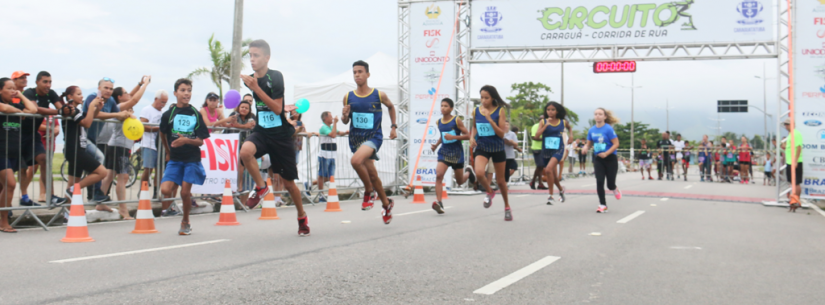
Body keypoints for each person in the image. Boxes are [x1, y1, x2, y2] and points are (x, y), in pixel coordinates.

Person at [239, 40, 310, 235]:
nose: (252, 59)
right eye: (250, 56)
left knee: (288, 183)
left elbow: (277, 108)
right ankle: (261, 188)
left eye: (256, 56)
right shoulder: (251, 79)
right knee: (245, 152)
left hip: (280, 136)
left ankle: (302, 216)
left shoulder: (276, 77)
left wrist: (256, 88)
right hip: (262, 132)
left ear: (267, 58)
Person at [339, 60, 398, 224]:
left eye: (360, 72)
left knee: (355, 161)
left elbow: (391, 107)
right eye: (354, 72)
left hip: (373, 138)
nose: (357, 75)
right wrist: (344, 115)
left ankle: (369, 192)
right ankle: (386, 204)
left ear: (367, 74)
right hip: (356, 140)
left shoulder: (378, 95)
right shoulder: (348, 97)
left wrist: (393, 127)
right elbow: (345, 121)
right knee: (372, 173)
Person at [159, 79, 210, 235]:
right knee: (165, 189)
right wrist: (168, 151)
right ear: (175, 93)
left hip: (191, 159)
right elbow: (162, 133)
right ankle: (173, 208)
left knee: (185, 193)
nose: (186, 93)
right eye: (182, 90)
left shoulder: (195, 113)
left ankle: (185, 221)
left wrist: (186, 140)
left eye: (189, 90)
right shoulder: (169, 114)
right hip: (175, 159)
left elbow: (201, 140)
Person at [101, 77, 151, 219]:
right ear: (120, 97)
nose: (129, 94)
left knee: (110, 175)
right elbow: (134, 99)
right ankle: (123, 209)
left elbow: (131, 97)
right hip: (119, 147)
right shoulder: (118, 107)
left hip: (116, 146)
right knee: (123, 177)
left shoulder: (119, 107)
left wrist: (139, 83)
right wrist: (146, 84)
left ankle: (100, 201)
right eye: (126, 93)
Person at [21, 71, 67, 207]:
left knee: (44, 160)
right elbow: (35, 109)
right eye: (45, 82)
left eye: (50, 82)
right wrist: (58, 112)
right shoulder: (29, 93)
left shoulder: (51, 93)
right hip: (19, 133)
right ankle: (21, 198)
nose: (48, 85)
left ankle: (50, 196)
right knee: (19, 168)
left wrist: (68, 110)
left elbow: (62, 108)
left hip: (33, 134)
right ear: (37, 82)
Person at [0, 77, 38, 232]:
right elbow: (5, 109)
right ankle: (3, 222)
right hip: (1, 151)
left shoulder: (16, 103)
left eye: (14, 88)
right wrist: (17, 110)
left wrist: (20, 96)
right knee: (10, 184)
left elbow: (33, 110)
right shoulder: (8, 106)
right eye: (9, 88)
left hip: (14, 152)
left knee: (3, 186)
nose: (12, 91)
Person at [83, 78, 131, 202]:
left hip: (94, 138)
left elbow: (118, 116)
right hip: (83, 136)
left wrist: (127, 115)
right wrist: (117, 115)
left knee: (95, 168)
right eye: (106, 88)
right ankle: (93, 194)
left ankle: (93, 195)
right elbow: (95, 114)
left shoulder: (110, 101)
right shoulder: (92, 97)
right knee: (99, 161)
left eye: (111, 89)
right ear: (99, 88)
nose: (109, 91)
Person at [470, 85, 512, 220]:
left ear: (493, 98)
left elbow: (501, 134)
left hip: (497, 148)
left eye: (486, 98)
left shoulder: (500, 111)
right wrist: (471, 137)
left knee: (501, 181)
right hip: (482, 147)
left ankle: (507, 206)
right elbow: (474, 127)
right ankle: (489, 191)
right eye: (481, 97)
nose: (483, 101)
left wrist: (489, 119)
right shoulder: (476, 111)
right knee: (479, 173)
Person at [429, 98, 470, 214]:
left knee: (460, 181)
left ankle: (469, 172)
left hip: (457, 153)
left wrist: (454, 138)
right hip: (444, 152)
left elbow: (468, 136)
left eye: (446, 106)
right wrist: (436, 145)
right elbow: (443, 136)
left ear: (451, 108)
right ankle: (439, 202)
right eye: (441, 105)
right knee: (439, 175)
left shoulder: (456, 120)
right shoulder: (439, 122)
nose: (443, 108)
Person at [582, 108, 621, 213]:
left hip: (610, 158)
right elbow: (589, 143)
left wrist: (606, 153)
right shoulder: (592, 130)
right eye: (596, 114)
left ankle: (614, 188)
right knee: (599, 181)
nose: (598, 116)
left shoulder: (608, 129)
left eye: (600, 114)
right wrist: (586, 147)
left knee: (610, 184)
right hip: (598, 159)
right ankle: (602, 205)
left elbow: (616, 144)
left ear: (605, 117)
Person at [533, 101, 572, 205]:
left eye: (553, 110)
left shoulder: (562, 122)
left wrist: (571, 136)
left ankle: (550, 195)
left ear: (557, 111)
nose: (550, 112)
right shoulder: (543, 121)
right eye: (548, 110)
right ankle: (560, 189)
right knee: (552, 174)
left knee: (548, 169)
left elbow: (569, 127)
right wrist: (545, 126)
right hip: (546, 150)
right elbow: (537, 136)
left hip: (558, 149)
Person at [309, 111, 347, 203]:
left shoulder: (330, 127)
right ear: (325, 118)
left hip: (332, 155)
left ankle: (310, 184)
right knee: (322, 175)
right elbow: (333, 135)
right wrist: (335, 123)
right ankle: (321, 194)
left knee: (330, 177)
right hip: (324, 155)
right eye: (330, 117)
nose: (332, 118)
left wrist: (346, 132)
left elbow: (338, 132)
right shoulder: (323, 127)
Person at [140, 90, 168, 200]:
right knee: (148, 168)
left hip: (160, 145)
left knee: (159, 170)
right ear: (156, 99)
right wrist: (159, 128)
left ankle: (156, 192)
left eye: (165, 102)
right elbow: (143, 126)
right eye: (161, 102)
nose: (163, 104)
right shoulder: (147, 110)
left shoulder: (163, 113)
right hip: (149, 143)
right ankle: (143, 190)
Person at [226, 99, 256, 205]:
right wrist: (245, 127)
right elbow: (231, 125)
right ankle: (239, 185)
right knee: (240, 167)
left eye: (246, 108)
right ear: (239, 108)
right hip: (233, 147)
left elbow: (254, 127)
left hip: (247, 148)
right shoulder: (234, 115)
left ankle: (244, 203)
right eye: (242, 107)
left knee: (249, 176)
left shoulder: (252, 117)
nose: (244, 109)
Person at [35, 115, 59, 203]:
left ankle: (45, 194)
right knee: (32, 169)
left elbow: (57, 125)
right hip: (37, 143)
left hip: (49, 144)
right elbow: (37, 125)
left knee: (45, 168)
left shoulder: (52, 114)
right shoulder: (38, 110)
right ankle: (23, 193)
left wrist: (56, 129)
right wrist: (51, 128)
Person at [781, 118, 803, 211]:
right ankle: (793, 201)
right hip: (790, 162)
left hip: (794, 162)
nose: (786, 126)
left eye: (788, 124)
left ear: (792, 124)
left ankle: (795, 200)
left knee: (796, 182)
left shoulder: (795, 133)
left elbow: (798, 147)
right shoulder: (790, 134)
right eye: (785, 124)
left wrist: (796, 160)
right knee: (792, 182)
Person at [529, 115, 547, 190]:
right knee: (540, 165)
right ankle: (533, 181)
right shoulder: (535, 126)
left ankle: (540, 183)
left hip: (544, 148)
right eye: (542, 120)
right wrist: (544, 139)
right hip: (537, 148)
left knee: (541, 167)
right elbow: (534, 137)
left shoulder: (546, 127)